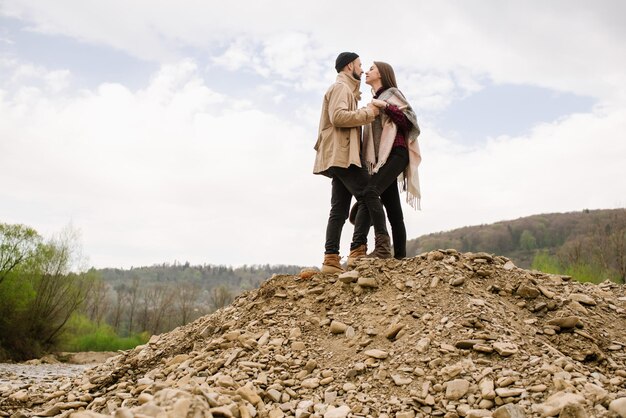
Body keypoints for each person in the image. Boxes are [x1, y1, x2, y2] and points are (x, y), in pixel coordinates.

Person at [313, 52, 380, 273]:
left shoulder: (345, 89)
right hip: (342, 156)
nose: (362, 69)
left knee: (339, 209)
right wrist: (368, 113)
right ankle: (357, 251)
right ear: (349, 65)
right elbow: (338, 117)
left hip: (337, 156)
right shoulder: (341, 88)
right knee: (369, 195)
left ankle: (331, 260)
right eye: (360, 65)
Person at [349, 61, 421, 263]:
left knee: (371, 192)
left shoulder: (391, 94)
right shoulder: (373, 100)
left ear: (381, 73)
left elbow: (409, 121)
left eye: (371, 68)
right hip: (382, 159)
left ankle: (381, 247)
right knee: (393, 210)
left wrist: (385, 106)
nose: (366, 71)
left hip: (396, 152)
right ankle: (399, 258)